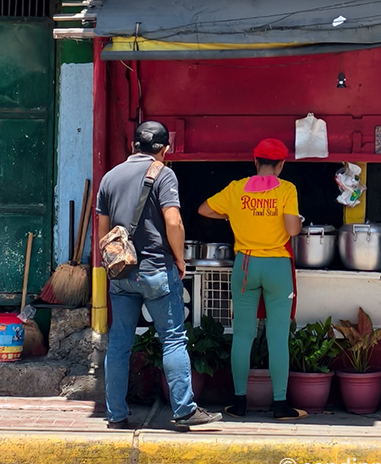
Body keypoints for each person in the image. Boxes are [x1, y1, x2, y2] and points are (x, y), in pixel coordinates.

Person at [96, 120, 221, 431]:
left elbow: (101, 233)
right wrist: (179, 259)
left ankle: (115, 415)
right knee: (173, 339)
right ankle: (183, 410)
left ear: (133, 146)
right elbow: (174, 223)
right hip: (156, 271)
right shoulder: (163, 174)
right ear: (165, 149)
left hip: (121, 273)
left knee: (119, 344)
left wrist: (110, 267)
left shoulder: (109, 178)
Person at [198, 138, 304, 420]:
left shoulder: (235, 189)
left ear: (255, 162)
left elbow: (204, 209)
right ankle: (280, 405)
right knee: (278, 337)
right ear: (281, 165)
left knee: (243, 335)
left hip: (245, 265)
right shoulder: (286, 189)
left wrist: (233, 215)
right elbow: (293, 230)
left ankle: (240, 403)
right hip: (277, 266)